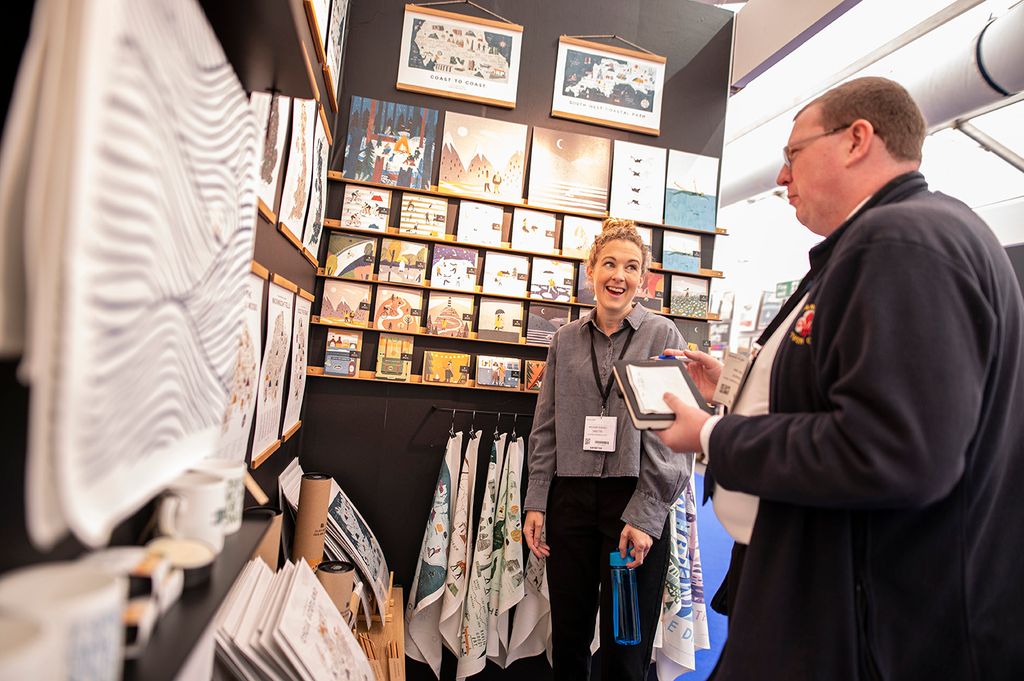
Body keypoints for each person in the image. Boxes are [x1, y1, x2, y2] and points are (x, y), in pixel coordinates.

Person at [656, 77, 1024, 679]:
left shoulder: (899, 242)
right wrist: (739, 390)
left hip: (866, 625)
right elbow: (863, 392)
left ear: (856, 140)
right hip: (860, 606)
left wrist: (712, 436)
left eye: (794, 154)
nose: (783, 176)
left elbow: (893, 449)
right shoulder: (915, 233)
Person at [523, 218, 692, 680]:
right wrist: (537, 500)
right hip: (571, 502)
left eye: (631, 267)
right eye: (610, 264)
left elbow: (674, 434)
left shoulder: (662, 336)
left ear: (643, 278)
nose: (619, 276)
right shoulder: (565, 339)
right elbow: (546, 427)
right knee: (569, 639)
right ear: (591, 270)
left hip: (631, 504)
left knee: (624, 645)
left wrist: (647, 514)